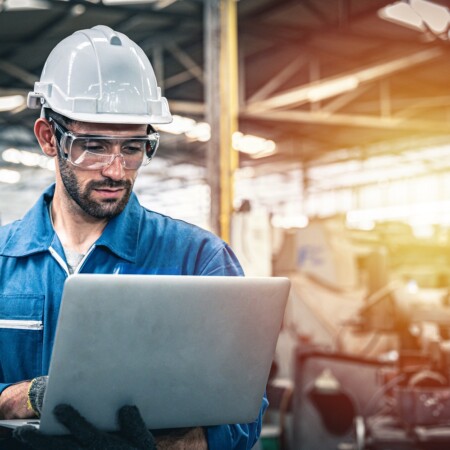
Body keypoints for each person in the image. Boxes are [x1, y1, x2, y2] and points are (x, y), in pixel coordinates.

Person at [0, 25, 267, 449]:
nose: (115, 170)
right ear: (49, 138)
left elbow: (245, 413)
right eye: (93, 145)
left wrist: (182, 443)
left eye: (133, 147)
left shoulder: (200, 261)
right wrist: (21, 397)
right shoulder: (2, 261)